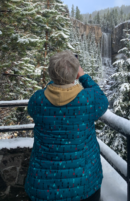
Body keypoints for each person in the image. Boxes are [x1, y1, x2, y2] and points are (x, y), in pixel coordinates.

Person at [25, 50, 109, 201]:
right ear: (76, 73)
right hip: (84, 182)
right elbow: (102, 98)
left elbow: (38, 104)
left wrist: (58, 79)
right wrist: (83, 76)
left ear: (51, 74)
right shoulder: (88, 99)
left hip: (42, 185)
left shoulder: (37, 100)